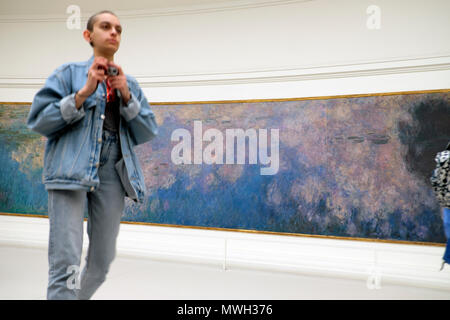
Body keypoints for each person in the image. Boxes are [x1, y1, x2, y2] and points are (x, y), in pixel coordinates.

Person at [27, 10, 158, 299]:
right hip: (69, 170)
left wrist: (125, 95)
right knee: (67, 263)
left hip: (113, 171)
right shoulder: (68, 74)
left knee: (101, 263)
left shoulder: (129, 84)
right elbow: (39, 120)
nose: (114, 33)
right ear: (88, 35)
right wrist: (83, 93)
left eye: (119, 29)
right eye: (106, 26)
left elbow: (147, 130)